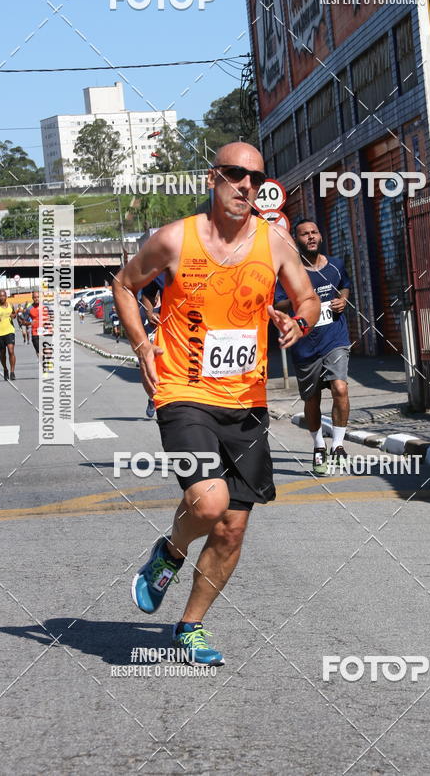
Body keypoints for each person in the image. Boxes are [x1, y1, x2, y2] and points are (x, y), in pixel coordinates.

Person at [113, 142, 319, 666]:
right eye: (234, 174)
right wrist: (143, 347)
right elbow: (123, 285)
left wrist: (300, 320)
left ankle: (190, 626)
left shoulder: (274, 241)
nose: (244, 185)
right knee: (209, 503)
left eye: (254, 177)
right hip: (183, 392)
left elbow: (308, 298)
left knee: (232, 526)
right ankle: (170, 553)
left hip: (246, 401)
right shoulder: (174, 239)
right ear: (214, 178)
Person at [275, 219, 352, 476]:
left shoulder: (335, 265)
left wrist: (342, 300)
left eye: (314, 232)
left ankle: (338, 446)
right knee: (312, 399)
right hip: (305, 342)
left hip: (335, 338)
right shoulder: (290, 272)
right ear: (296, 241)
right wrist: (304, 300)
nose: (310, 237)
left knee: (340, 387)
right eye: (304, 234)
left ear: (320, 236)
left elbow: (345, 286)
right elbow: (277, 305)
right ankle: (319, 446)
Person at [139, 275, 164, 418]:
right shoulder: (143, 312)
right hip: (149, 347)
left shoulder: (167, 308)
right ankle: (151, 398)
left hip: (165, 347)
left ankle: (156, 400)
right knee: (151, 375)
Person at [25, 291, 50, 358]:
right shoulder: (29, 309)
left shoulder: (46, 306)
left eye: (38, 297)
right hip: (35, 332)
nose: (36, 299)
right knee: (39, 351)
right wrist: (30, 323)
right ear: (32, 298)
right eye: (35, 297)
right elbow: (24, 321)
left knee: (48, 351)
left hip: (46, 330)